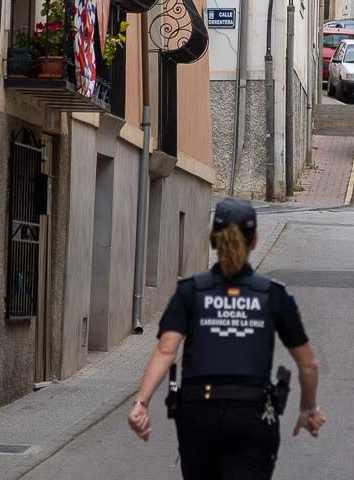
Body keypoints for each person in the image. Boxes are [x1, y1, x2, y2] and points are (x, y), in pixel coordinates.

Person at [127, 199, 327, 478]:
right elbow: (308, 366)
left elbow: (165, 350)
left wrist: (141, 404)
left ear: (213, 238)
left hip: (198, 416)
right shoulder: (272, 295)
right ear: (255, 240)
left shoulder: (190, 292)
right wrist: (308, 408)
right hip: (252, 416)